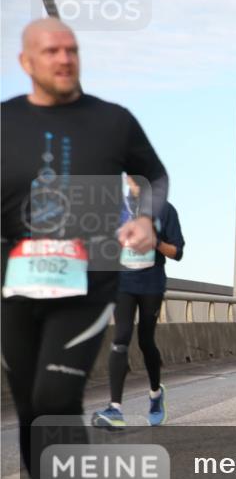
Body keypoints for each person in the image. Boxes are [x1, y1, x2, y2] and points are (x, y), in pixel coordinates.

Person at [2, 18, 168, 479]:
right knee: (30, 411)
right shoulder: (3, 121)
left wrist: (145, 217)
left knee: (55, 396)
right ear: (27, 62)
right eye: (51, 51)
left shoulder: (112, 120)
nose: (64, 58)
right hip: (14, 285)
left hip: (88, 280)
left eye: (71, 49)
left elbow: (154, 174)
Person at [93, 180, 185, 428]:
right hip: (122, 282)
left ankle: (156, 395)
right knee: (121, 337)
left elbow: (177, 252)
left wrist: (155, 242)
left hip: (151, 283)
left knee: (146, 340)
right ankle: (115, 409)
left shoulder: (164, 210)